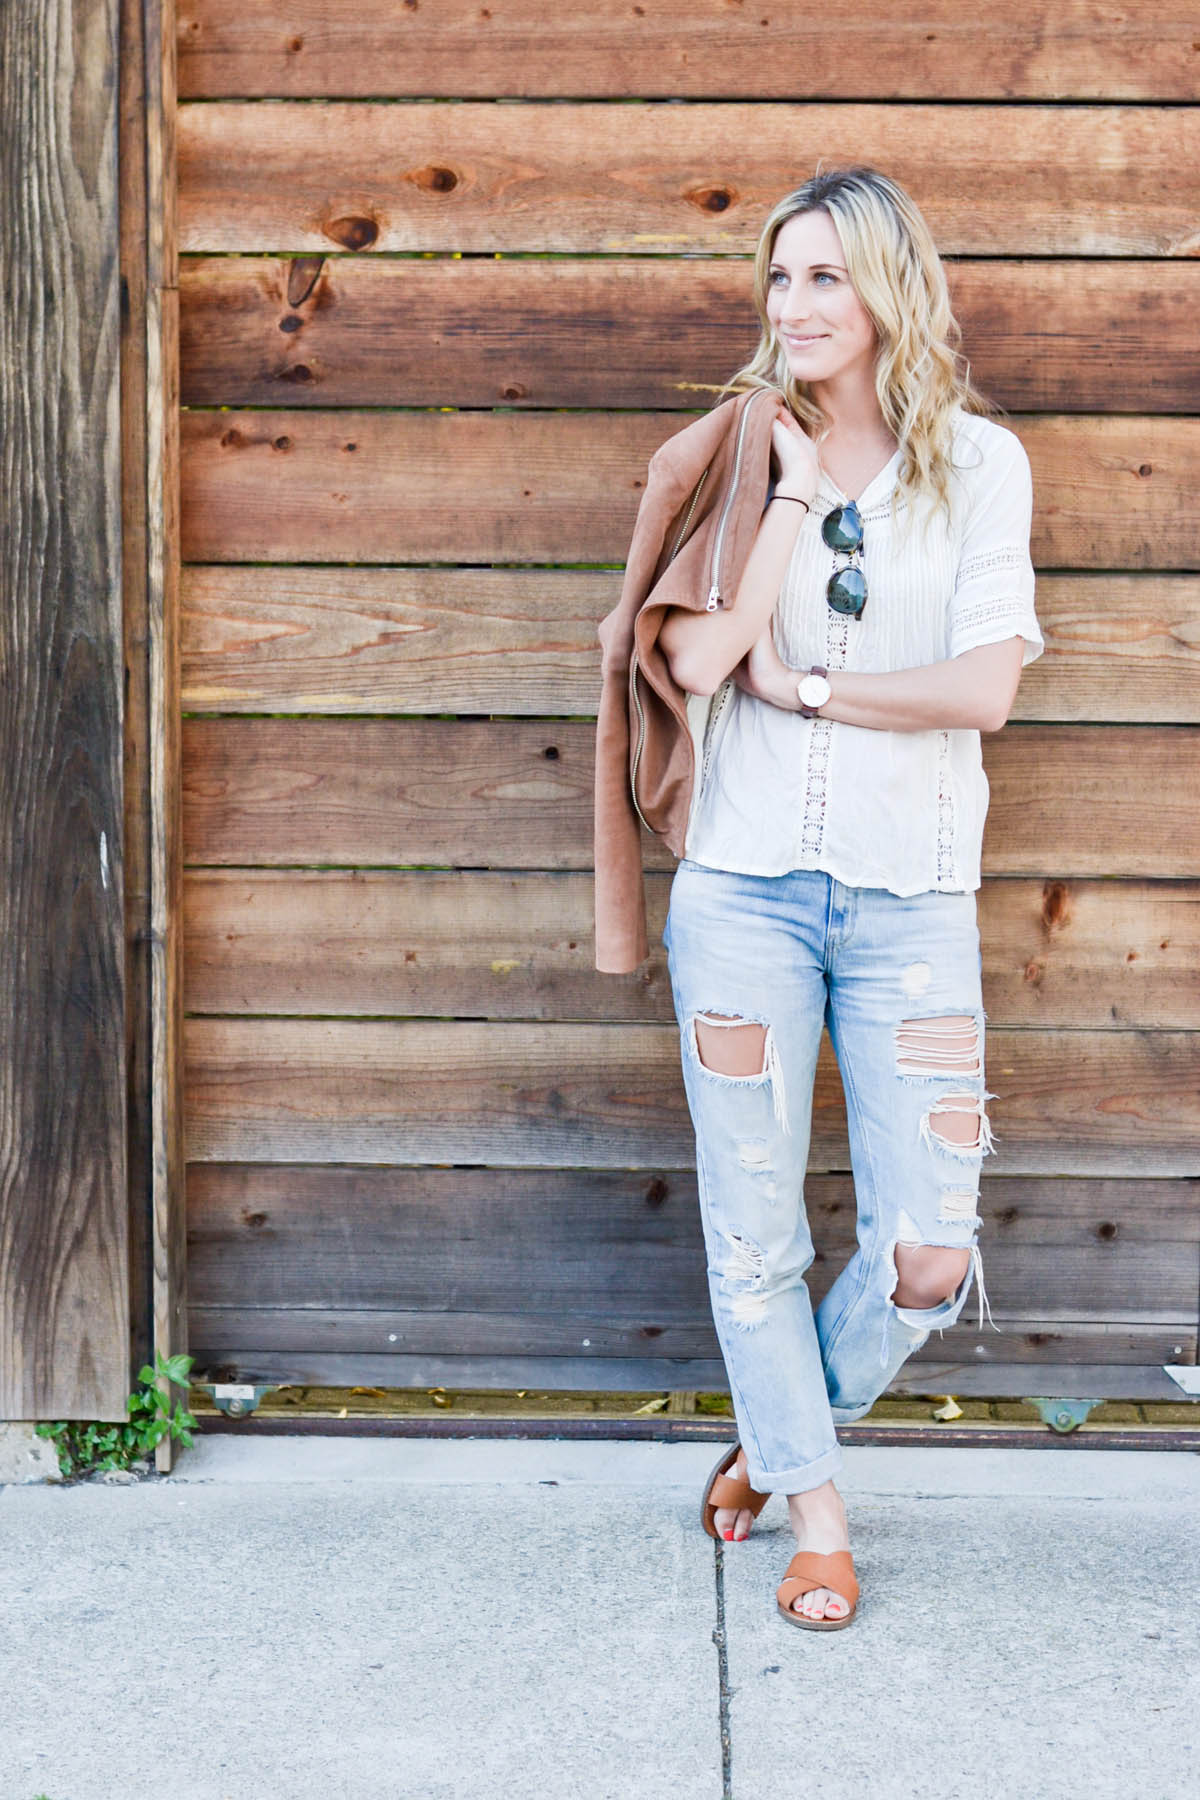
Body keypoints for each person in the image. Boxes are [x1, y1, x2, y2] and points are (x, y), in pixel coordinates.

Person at [654, 165, 1043, 1630]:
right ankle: (819, 1520)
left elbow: (987, 691)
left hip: (914, 902)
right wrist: (790, 501)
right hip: (743, 894)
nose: (797, 307)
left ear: (889, 292)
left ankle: (771, 1438)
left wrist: (810, 688)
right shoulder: (741, 447)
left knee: (930, 1253)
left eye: (826, 277)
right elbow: (698, 665)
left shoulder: (982, 466)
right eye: (780, 279)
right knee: (755, 1235)